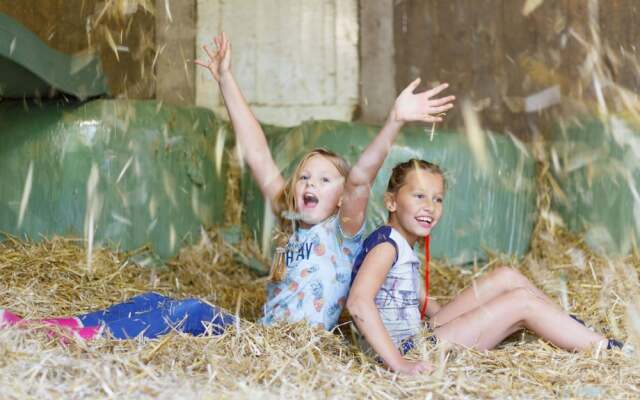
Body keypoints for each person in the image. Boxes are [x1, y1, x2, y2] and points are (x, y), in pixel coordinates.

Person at [0, 33, 455, 341]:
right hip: (258, 341)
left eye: (324, 179)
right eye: (304, 177)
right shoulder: (294, 221)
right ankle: (55, 326)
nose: (310, 184)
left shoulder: (343, 231)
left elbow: (361, 177)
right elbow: (256, 152)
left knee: (194, 312)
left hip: (283, 350)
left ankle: (77, 334)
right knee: (158, 301)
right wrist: (225, 80)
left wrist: (394, 119)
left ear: (341, 198)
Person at [347, 159, 624, 375]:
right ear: (392, 201)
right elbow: (358, 302)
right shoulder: (386, 246)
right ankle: (607, 349)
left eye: (438, 198)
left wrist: (460, 319)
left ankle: (567, 326)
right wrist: (399, 364)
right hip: (403, 351)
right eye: (419, 196)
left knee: (506, 276)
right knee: (521, 302)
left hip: (420, 334)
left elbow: (418, 299)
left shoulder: (400, 243)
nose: (430, 207)